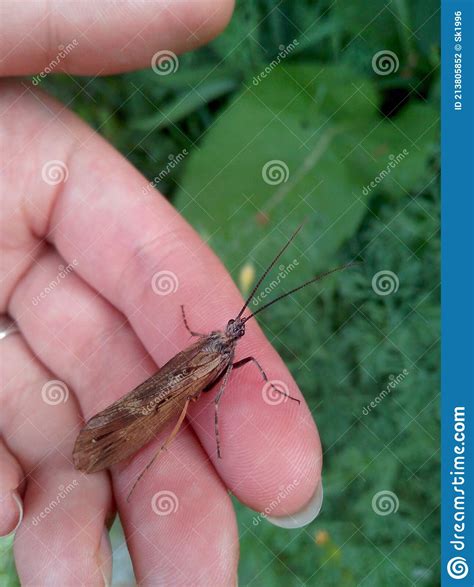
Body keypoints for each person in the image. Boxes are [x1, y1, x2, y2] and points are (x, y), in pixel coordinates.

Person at [0, 2, 322, 584]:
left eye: (233, 331)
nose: (234, 332)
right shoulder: (221, 349)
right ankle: (120, 449)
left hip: (169, 385)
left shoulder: (223, 351)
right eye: (233, 329)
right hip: (160, 394)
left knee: (171, 399)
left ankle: (120, 447)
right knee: (168, 404)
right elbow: (202, 378)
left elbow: (209, 371)